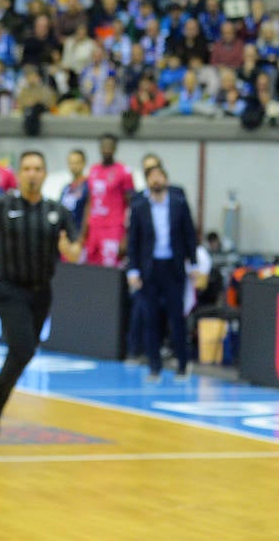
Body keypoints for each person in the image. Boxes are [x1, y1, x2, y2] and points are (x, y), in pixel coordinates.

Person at [0, 151, 81, 451]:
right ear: (19, 173)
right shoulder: (2, 205)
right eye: (27, 168)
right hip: (9, 289)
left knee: (21, 355)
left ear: (44, 174)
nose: (32, 173)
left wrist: (69, 249)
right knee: (23, 348)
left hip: (41, 291)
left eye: (38, 169)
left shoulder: (57, 211)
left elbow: (75, 251)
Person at [126, 164, 198, 379]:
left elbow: (189, 235)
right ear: (147, 182)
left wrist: (193, 263)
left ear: (166, 179)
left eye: (160, 176)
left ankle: (183, 364)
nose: (156, 180)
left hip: (173, 267)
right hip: (150, 268)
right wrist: (133, 270)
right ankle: (154, 366)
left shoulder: (178, 204)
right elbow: (133, 242)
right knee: (151, 319)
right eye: (152, 177)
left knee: (177, 318)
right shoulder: (139, 207)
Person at [80, 133, 135, 266]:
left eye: (110, 147)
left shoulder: (124, 171)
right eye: (104, 146)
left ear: (115, 149)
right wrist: (83, 234)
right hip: (94, 228)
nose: (106, 150)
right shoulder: (93, 170)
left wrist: (127, 237)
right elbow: (90, 202)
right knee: (91, 269)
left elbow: (132, 205)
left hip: (113, 228)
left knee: (110, 271)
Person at [58, 147, 89, 238]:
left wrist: (82, 237)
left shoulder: (88, 186)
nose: (73, 166)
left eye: (77, 163)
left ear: (83, 163)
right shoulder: (66, 188)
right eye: (71, 163)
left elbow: (89, 213)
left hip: (82, 236)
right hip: (66, 235)